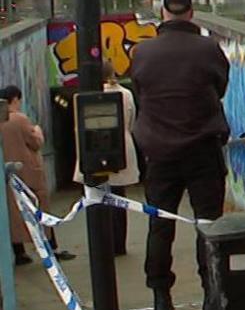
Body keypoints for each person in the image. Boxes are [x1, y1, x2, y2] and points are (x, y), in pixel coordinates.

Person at [129, 0, 230, 310]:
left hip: (159, 152)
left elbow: (140, 94)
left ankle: (161, 299)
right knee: (208, 225)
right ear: (191, 11)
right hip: (203, 148)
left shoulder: (142, 53)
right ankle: (211, 300)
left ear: (162, 12)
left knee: (160, 226)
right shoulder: (208, 49)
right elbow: (220, 87)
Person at [71, 61, 141, 256]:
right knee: (119, 199)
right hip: (121, 145)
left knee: (96, 197)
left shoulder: (83, 96)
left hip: (92, 148)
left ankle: (101, 244)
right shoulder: (125, 93)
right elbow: (132, 120)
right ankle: (119, 244)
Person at [2, 84, 76, 265]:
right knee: (41, 210)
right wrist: (38, 132)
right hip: (28, 172)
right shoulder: (20, 119)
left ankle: (19, 252)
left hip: (8, 173)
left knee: (13, 214)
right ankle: (51, 248)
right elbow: (35, 143)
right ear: (15, 99)